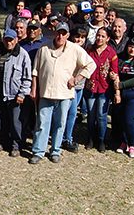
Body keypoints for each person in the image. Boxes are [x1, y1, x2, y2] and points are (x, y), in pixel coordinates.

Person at [29, 23, 96, 164]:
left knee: (60, 123)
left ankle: (55, 150)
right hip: (45, 92)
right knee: (42, 123)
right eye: (58, 33)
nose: (60, 36)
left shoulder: (75, 49)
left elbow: (91, 64)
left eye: (63, 33)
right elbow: (35, 70)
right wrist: (34, 89)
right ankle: (38, 151)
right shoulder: (44, 48)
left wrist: (77, 78)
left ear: (67, 35)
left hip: (65, 93)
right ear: (54, 33)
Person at [0, 28, 32, 157]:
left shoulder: (23, 55)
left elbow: (27, 77)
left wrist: (22, 94)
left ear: (16, 40)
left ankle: (16, 145)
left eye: (11, 40)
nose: (8, 42)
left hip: (14, 94)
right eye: (6, 39)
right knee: (0, 119)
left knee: (15, 121)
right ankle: (1, 142)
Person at [84, 27, 119, 152]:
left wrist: (113, 77)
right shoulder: (89, 50)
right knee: (91, 114)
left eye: (103, 36)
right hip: (90, 87)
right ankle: (90, 139)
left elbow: (115, 71)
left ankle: (101, 140)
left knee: (101, 115)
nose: (99, 38)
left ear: (108, 38)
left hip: (104, 88)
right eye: (98, 35)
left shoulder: (111, 53)